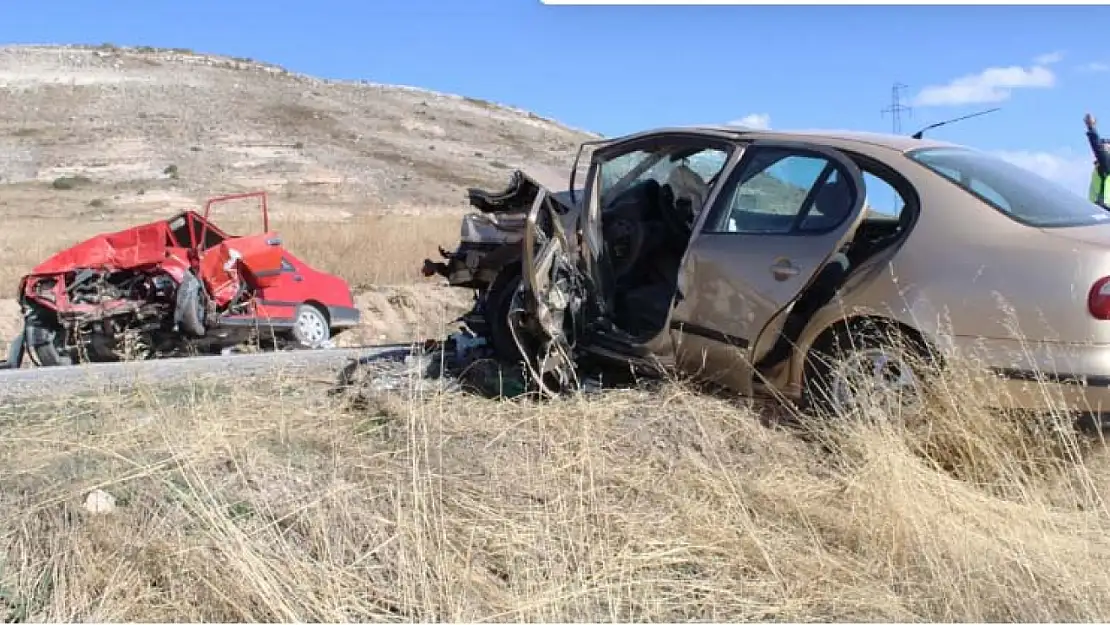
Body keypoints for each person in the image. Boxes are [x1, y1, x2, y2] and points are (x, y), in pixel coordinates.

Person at [1085, 113, 1110, 207]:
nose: (1104, 146)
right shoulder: (1101, 165)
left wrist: (1091, 127)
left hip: (1105, 206)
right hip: (1098, 206)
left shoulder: (1107, 163)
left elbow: (1098, 148)